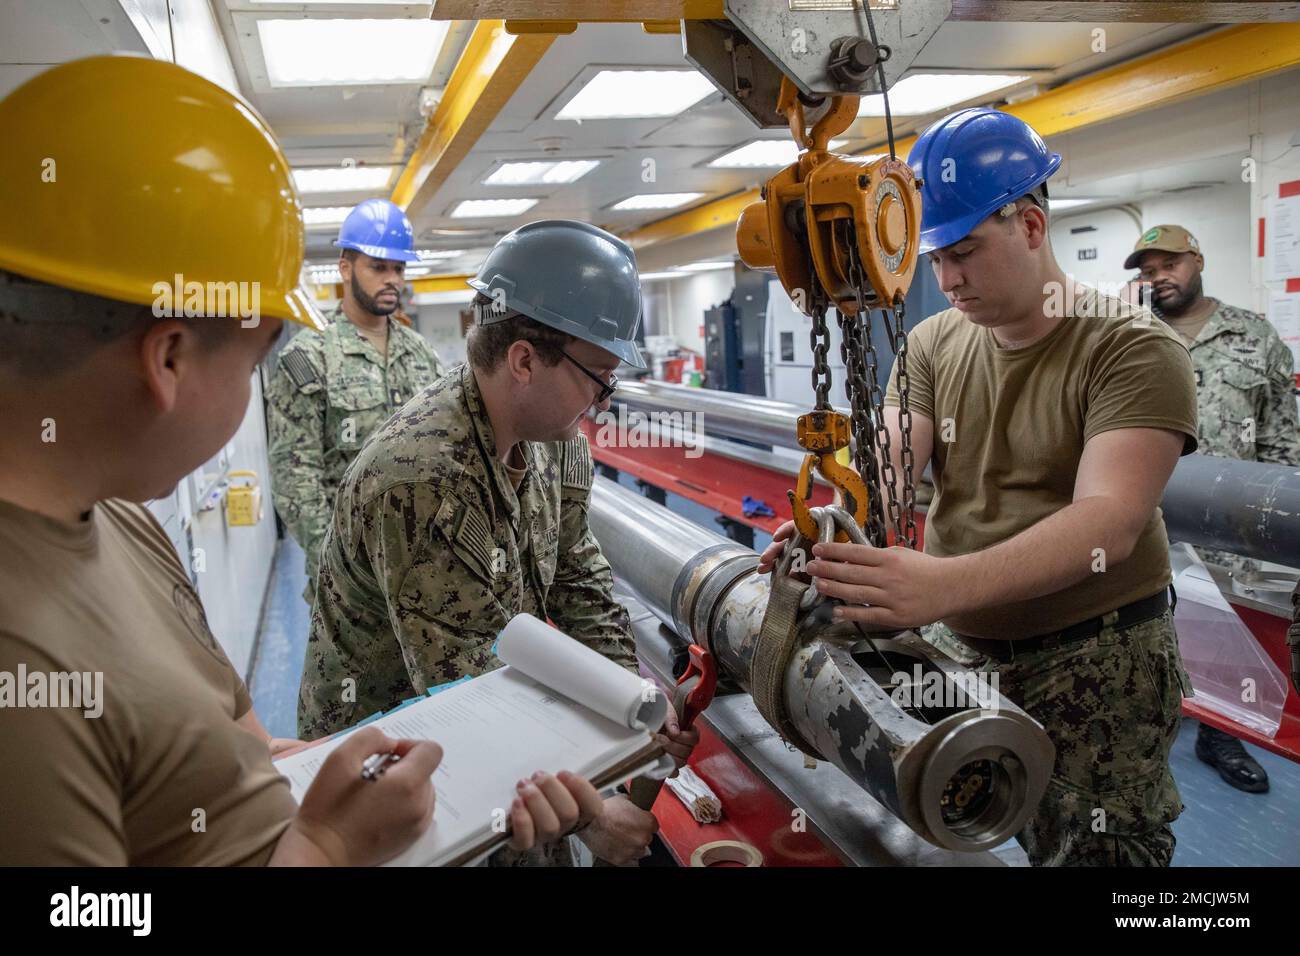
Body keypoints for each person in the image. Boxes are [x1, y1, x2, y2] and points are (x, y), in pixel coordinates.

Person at [0, 55, 601, 865]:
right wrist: (324, 845)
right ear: (169, 360)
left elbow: (213, 742)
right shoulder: (23, 670)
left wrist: (286, 767)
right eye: (251, 363)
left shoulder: (118, 522)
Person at [760, 107, 1199, 866]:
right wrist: (830, 527)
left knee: (1095, 851)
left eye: (963, 251)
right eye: (932, 256)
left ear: (1031, 226)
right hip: (960, 647)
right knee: (950, 829)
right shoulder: (933, 342)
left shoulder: (1130, 346)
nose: (945, 278)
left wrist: (942, 586)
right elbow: (886, 471)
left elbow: (1109, 522)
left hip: (1095, 663)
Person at [298, 220, 697, 865]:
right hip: (382, 761)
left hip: (481, 701)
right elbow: (465, 697)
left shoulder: (557, 439)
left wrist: (635, 702)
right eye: (598, 377)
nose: (602, 401)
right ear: (523, 361)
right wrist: (591, 815)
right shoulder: (421, 478)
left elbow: (578, 575)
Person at [1124, 224, 1300, 794]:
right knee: (1141, 625)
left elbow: (1281, 442)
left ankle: (1220, 732)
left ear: (1196, 261)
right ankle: (1146, 724)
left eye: (1168, 265)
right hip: (1141, 513)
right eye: (1148, 271)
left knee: (1227, 635)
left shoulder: (1253, 335)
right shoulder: (1129, 336)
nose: (1158, 278)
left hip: (1230, 529)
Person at [267, 198, 445, 601]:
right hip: (346, 583)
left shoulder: (422, 355)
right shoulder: (309, 358)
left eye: (398, 269)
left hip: (423, 571)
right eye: (378, 267)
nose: (393, 280)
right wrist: (338, 556)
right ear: (345, 268)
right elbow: (294, 479)